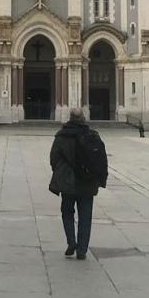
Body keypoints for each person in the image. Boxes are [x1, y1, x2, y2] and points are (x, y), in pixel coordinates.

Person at [49, 107, 107, 261]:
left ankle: (71, 241)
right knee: (85, 216)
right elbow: (101, 159)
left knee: (67, 212)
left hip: (68, 182)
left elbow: (53, 158)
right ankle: (82, 250)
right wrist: (100, 179)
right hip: (88, 182)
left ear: (70, 118)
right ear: (83, 117)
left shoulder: (61, 136)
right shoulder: (93, 136)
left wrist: (60, 173)